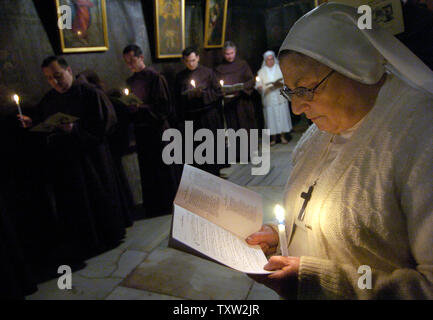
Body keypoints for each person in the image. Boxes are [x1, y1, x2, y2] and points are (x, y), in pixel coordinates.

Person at [246, 3, 433, 299]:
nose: (296, 107)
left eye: (306, 88)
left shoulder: (421, 138)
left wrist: (320, 282)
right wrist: (282, 237)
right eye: (290, 91)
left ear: (354, 67)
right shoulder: (315, 136)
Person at [18, 56, 128, 262]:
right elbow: (45, 119)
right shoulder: (50, 98)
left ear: (68, 70)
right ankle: (85, 239)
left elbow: (106, 123)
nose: (55, 82)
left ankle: (107, 236)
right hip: (66, 161)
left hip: (92, 160)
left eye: (58, 76)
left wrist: (76, 129)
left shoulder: (90, 93)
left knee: (97, 196)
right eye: (49, 78)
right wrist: (32, 122)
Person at [123, 44, 179, 216]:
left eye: (132, 60)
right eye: (127, 62)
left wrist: (142, 108)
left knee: (164, 168)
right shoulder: (131, 82)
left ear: (141, 58)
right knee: (148, 169)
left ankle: (170, 203)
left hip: (158, 130)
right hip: (142, 132)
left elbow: (164, 107)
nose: (130, 65)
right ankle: (154, 204)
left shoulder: (156, 78)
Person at [175, 47, 223, 176]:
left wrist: (203, 94)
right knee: (196, 148)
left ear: (198, 58)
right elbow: (177, 98)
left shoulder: (208, 73)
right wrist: (188, 95)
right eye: (187, 61)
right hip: (191, 116)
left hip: (207, 115)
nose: (190, 64)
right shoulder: (180, 77)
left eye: (193, 60)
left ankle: (214, 172)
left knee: (211, 146)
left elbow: (218, 92)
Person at [215, 41, 257, 161]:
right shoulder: (219, 68)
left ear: (235, 52)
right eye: (227, 54)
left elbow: (251, 80)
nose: (230, 56)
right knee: (233, 128)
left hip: (242, 102)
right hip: (229, 103)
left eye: (231, 53)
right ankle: (236, 154)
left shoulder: (242, 64)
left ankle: (249, 152)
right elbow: (217, 84)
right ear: (223, 54)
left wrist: (242, 87)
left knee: (245, 127)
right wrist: (222, 91)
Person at [255, 50, 292, 145]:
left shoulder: (279, 68)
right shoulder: (261, 72)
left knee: (281, 117)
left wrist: (280, 83)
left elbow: (286, 80)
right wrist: (260, 87)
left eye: (271, 59)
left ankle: (283, 136)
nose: (270, 61)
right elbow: (258, 84)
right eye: (268, 60)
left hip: (279, 96)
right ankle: (273, 138)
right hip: (269, 97)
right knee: (271, 119)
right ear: (265, 60)